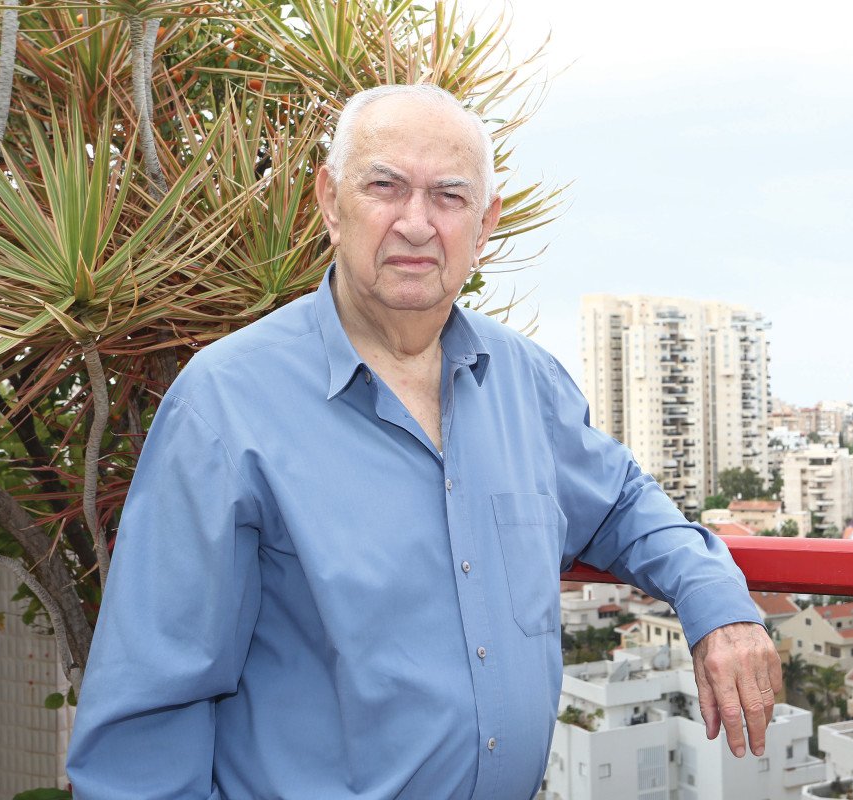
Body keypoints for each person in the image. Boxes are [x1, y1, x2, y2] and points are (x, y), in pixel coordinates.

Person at [66, 83, 781, 799]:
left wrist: (716, 604)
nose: (416, 223)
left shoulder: (525, 383)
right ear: (329, 201)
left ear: (485, 223)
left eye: (449, 195)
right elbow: (145, 728)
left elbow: (623, 503)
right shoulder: (224, 404)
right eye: (385, 187)